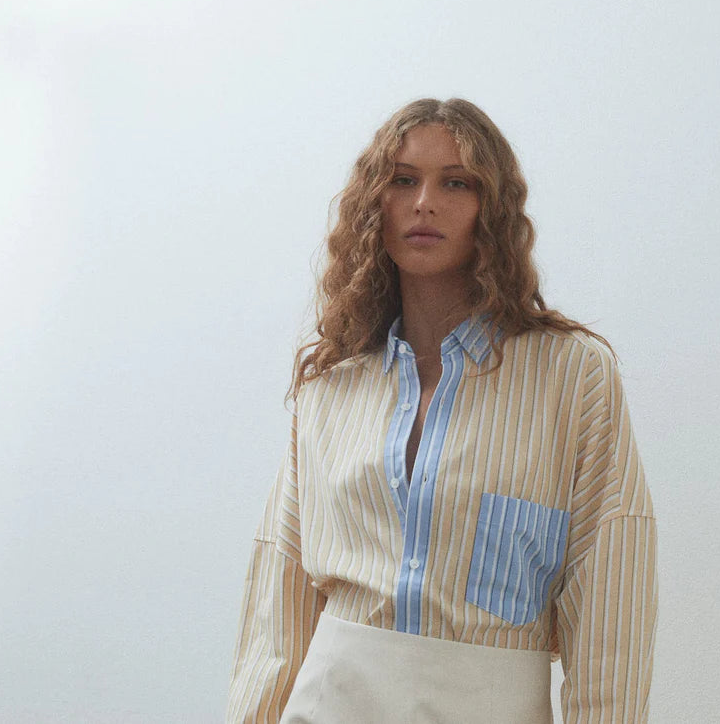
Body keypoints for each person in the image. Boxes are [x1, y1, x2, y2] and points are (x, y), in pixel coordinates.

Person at [226, 98, 658, 723]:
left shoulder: (571, 375)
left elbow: (611, 592)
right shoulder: (331, 386)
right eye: (403, 180)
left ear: (493, 208)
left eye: (456, 183)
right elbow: (280, 607)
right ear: (375, 203)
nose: (424, 203)